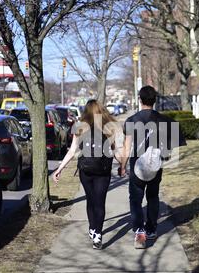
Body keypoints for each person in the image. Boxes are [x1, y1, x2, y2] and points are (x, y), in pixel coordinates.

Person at [120, 86, 186, 249]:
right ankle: (151, 229)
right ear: (154, 100)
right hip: (156, 165)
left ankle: (139, 230)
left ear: (140, 100)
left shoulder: (132, 121)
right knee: (153, 196)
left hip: (137, 166)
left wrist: (122, 166)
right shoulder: (164, 120)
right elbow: (171, 147)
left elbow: (127, 148)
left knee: (135, 199)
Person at [52, 100, 123, 250]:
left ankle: (92, 228)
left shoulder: (79, 127)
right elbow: (115, 151)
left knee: (91, 200)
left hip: (86, 170)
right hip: (103, 171)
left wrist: (59, 169)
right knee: (100, 202)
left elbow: (72, 151)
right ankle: (98, 233)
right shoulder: (107, 127)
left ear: (86, 111)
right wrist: (123, 165)